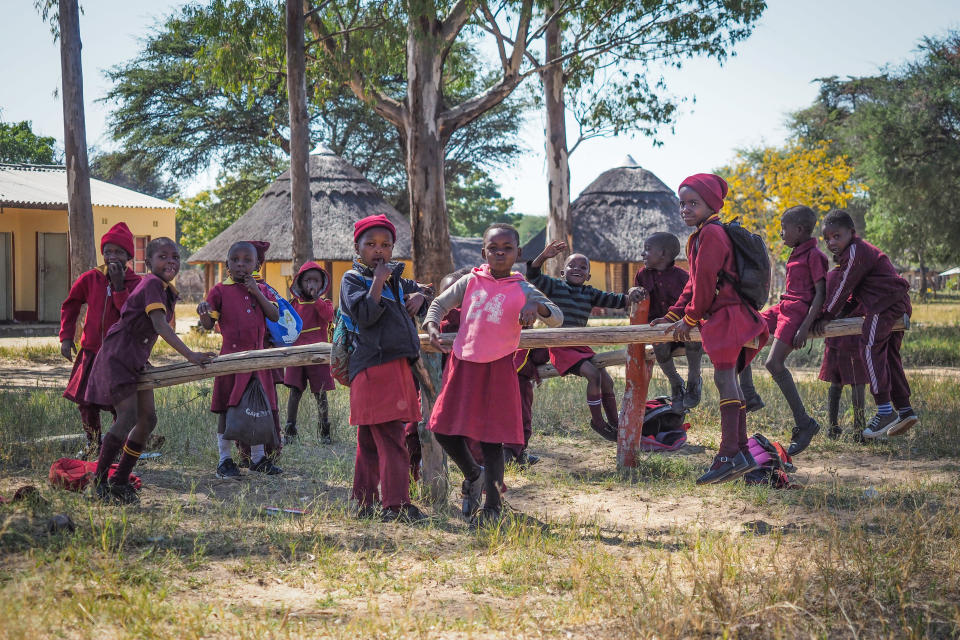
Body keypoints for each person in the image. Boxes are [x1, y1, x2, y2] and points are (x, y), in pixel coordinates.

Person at [425, 223, 562, 527]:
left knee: (492, 440)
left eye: (507, 248)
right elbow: (439, 303)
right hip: (464, 363)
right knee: (442, 428)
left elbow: (557, 317)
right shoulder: (470, 282)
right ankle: (474, 474)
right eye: (493, 248)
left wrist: (536, 308)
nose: (500, 253)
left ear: (518, 252)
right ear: (483, 251)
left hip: (499, 366)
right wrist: (432, 324)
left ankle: (493, 506)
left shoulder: (522, 285)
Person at [651, 173, 769, 485]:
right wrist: (674, 312)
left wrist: (689, 319)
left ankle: (729, 453)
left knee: (725, 378)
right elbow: (693, 283)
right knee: (729, 380)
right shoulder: (702, 235)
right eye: (682, 203)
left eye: (693, 203)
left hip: (729, 316)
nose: (685, 209)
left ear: (711, 205)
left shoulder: (712, 235)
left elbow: (705, 284)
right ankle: (740, 451)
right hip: (729, 316)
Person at [84, 238, 215, 503]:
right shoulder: (153, 284)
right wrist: (191, 355)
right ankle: (97, 483)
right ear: (149, 262)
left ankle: (120, 479)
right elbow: (160, 326)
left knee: (148, 419)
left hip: (136, 359)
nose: (171, 262)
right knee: (128, 416)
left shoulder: (164, 288)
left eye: (175, 257)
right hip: (119, 356)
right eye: (163, 257)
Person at [341, 214, 429, 523]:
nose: (379, 250)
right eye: (371, 244)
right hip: (373, 369)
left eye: (386, 245)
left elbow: (428, 290)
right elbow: (365, 315)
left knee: (369, 441)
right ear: (358, 247)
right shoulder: (353, 280)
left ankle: (363, 502)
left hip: (395, 368)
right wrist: (378, 280)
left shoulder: (397, 281)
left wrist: (420, 295)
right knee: (393, 438)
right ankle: (396, 506)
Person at [813, 209, 918, 439]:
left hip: (885, 304)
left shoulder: (855, 251)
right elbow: (854, 294)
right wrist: (842, 313)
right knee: (889, 356)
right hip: (891, 301)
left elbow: (845, 287)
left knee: (868, 347)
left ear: (851, 233)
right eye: (827, 238)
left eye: (837, 236)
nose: (831, 242)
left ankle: (884, 409)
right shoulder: (853, 253)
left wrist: (827, 315)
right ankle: (905, 409)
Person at [525, 241, 643, 441]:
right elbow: (533, 275)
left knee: (607, 380)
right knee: (593, 375)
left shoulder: (590, 293)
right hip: (560, 344)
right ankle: (597, 421)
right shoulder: (555, 287)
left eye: (582, 267)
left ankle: (616, 423)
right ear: (563, 273)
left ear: (588, 276)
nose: (577, 269)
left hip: (580, 344)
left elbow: (617, 300)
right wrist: (544, 256)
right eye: (572, 266)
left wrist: (632, 294)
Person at [197, 241, 283, 478]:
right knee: (226, 407)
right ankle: (224, 459)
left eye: (247, 260)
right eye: (235, 260)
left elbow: (274, 316)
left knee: (256, 407)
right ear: (227, 265)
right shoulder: (219, 291)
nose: (241, 264)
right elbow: (207, 324)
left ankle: (257, 458)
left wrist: (255, 290)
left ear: (256, 264)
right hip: (230, 360)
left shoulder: (262, 289)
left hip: (256, 360)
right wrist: (204, 313)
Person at [750, 206, 829, 456]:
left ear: (800, 230)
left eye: (784, 228)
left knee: (773, 363)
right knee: (746, 325)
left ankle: (804, 422)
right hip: (784, 306)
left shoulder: (814, 255)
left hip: (797, 311)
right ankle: (748, 393)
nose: (781, 233)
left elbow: (820, 294)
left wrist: (805, 326)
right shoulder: (796, 252)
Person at [60, 222, 142, 458]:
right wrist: (66, 337)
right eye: (107, 251)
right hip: (91, 352)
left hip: (119, 356)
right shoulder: (91, 278)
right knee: (86, 402)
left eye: (118, 252)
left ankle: (116, 447)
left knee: (120, 406)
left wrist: (118, 287)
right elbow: (71, 304)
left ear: (128, 256)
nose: (111, 256)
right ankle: (93, 443)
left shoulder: (136, 284)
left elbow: (130, 314)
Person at [634, 231, 703, 413]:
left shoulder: (683, 277)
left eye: (648, 249)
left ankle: (694, 380)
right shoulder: (642, 276)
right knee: (660, 347)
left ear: (663, 254)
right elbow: (638, 300)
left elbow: (694, 303)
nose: (643, 254)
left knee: (694, 340)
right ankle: (675, 383)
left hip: (684, 326)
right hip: (660, 331)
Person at [283, 261, 336, 444]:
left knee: (320, 393)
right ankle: (290, 430)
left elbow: (328, 317)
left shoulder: (325, 303)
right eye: (307, 281)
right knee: (295, 392)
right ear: (300, 283)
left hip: (318, 355)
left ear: (322, 284)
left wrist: (316, 300)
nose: (311, 285)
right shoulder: (293, 304)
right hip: (297, 355)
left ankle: (324, 432)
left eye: (315, 281)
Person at [819, 268, 868, 440]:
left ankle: (832, 428)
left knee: (836, 382)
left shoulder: (831, 275)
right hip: (854, 334)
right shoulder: (858, 274)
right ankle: (859, 431)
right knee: (858, 383)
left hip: (834, 334)